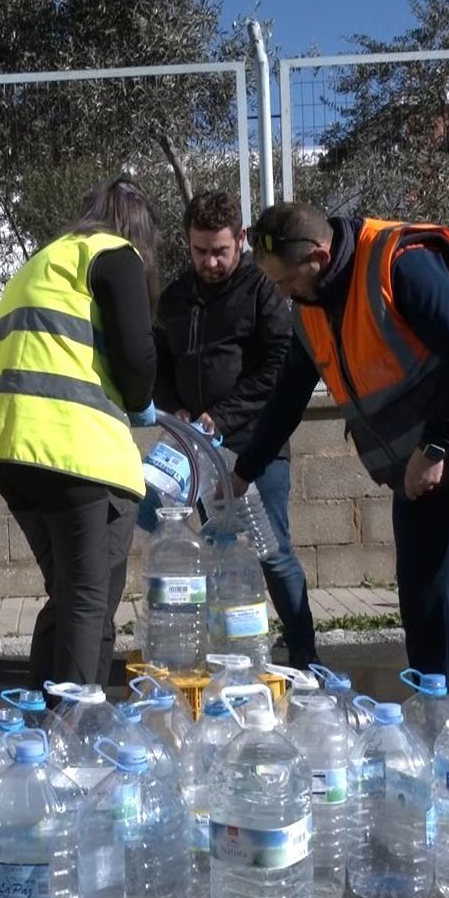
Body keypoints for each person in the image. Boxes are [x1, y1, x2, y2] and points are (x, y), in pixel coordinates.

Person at [230, 201, 449, 730]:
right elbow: (287, 398)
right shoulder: (309, 309)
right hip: (421, 461)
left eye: (284, 280)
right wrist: (243, 471)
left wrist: (436, 447)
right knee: (428, 597)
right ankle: (444, 734)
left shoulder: (400, 264)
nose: (280, 292)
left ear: (320, 258)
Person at [0, 177, 160, 687]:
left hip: (10, 450)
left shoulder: (42, 262)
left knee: (70, 596)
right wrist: (142, 400)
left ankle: (45, 724)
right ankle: (77, 737)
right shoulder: (115, 253)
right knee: (87, 600)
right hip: (71, 449)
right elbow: (135, 353)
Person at [152, 190, 318, 669]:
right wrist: (177, 409)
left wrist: (222, 416)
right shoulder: (177, 297)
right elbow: (160, 365)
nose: (210, 261)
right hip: (201, 452)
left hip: (256, 447)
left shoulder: (263, 289)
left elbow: (278, 369)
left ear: (240, 240)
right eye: (200, 250)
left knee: (272, 552)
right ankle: (233, 651)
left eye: (220, 250)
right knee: (220, 552)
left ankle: (305, 651)